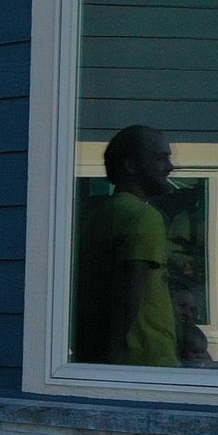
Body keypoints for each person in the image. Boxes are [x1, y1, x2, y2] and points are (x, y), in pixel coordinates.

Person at [74, 124, 182, 367]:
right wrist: (114, 359)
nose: (170, 167)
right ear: (131, 165)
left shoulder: (100, 215)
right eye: (160, 158)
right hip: (144, 362)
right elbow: (129, 292)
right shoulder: (143, 217)